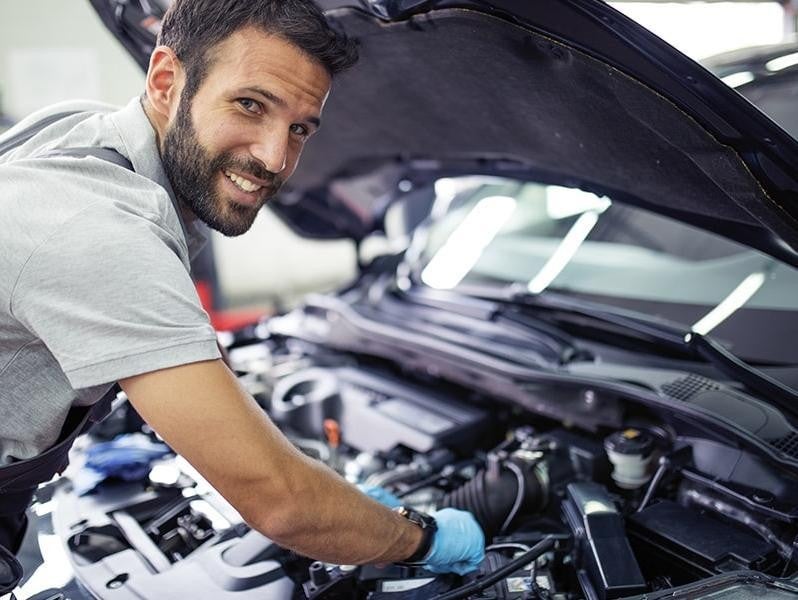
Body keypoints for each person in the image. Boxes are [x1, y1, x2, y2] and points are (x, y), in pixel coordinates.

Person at [0, 0, 484, 583]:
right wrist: (419, 536)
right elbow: (282, 502)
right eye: (250, 104)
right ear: (165, 81)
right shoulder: (98, 228)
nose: (275, 157)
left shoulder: (80, 129)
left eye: (299, 128)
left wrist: (334, 493)